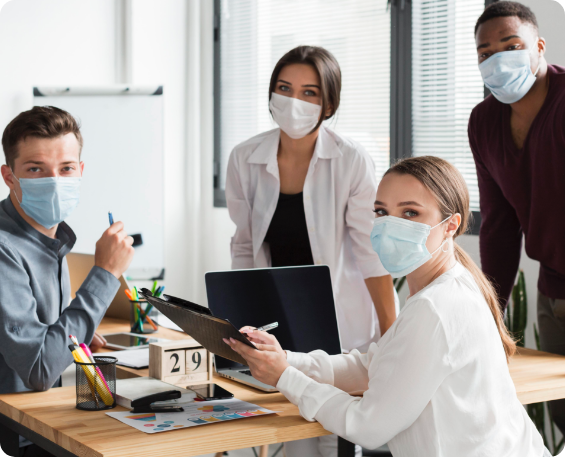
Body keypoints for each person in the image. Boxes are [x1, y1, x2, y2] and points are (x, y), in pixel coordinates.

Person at [225, 156, 550, 457]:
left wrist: (285, 377)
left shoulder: (436, 307)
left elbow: (367, 426)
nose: (390, 225)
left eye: (410, 213)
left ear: (451, 225)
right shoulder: (449, 285)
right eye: (381, 212)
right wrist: (287, 362)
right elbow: (375, 366)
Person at [225, 45, 397, 456]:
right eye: (284, 89)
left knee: (334, 427)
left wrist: (392, 336)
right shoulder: (245, 157)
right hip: (274, 314)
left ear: (329, 103)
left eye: (309, 93)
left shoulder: (351, 159)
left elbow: (371, 252)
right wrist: (237, 322)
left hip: (338, 316)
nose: (294, 102)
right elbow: (244, 247)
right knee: (280, 428)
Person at [0, 106, 135, 456]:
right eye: (35, 169)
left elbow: (42, 338)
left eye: (66, 168)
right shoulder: (4, 247)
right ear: (9, 176)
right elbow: (41, 369)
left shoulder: (52, 236)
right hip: (19, 435)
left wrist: (74, 337)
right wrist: (105, 274)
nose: (55, 181)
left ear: (81, 171)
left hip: (46, 419)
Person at [469, 1, 565, 433]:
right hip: (554, 292)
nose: (498, 59)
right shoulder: (484, 122)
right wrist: (493, 309)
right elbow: (498, 223)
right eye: (486, 53)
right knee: (562, 412)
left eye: (511, 45)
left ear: (539, 46)